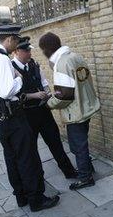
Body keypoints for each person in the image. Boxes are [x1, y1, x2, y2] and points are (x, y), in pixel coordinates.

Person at [0, 25, 60, 212]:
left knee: (11, 156)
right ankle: (36, 199)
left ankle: (21, 197)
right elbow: (7, 90)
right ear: (10, 39)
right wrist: (18, 78)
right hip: (12, 114)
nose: (16, 46)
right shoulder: (1, 57)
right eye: (17, 42)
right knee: (27, 157)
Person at [38, 32, 100, 190]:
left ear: (46, 50)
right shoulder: (76, 57)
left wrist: (48, 104)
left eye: (42, 50)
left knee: (77, 146)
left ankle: (86, 178)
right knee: (82, 143)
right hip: (86, 107)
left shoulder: (62, 63)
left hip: (75, 112)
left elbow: (64, 95)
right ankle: (88, 168)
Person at [12, 36, 77, 179]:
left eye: (29, 50)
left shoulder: (34, 64)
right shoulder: (12, 68)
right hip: (26, 114)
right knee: (30, 150)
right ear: (16, 51)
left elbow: (43, 82)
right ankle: (37, 178)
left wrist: (47, 93)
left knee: (55, 142)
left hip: (43, 110)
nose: (29, 53)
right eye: (25, 50)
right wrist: (34, 95)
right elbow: (13, 94)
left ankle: (69, 172)